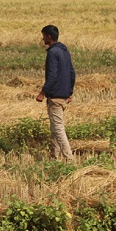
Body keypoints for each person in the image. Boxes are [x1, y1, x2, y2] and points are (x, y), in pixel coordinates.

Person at [36, 24, 76, 163]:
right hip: (64, 94)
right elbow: (72, 73)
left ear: (49, 36)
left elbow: (52, 75)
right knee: (54, 127)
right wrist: (70, 92)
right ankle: (55, 157)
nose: (43, 39)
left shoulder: (52, 52)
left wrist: (43, 92)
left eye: (43, 36)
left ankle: (69, 159)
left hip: (55, 95)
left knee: (58, 129)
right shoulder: (65, 51)